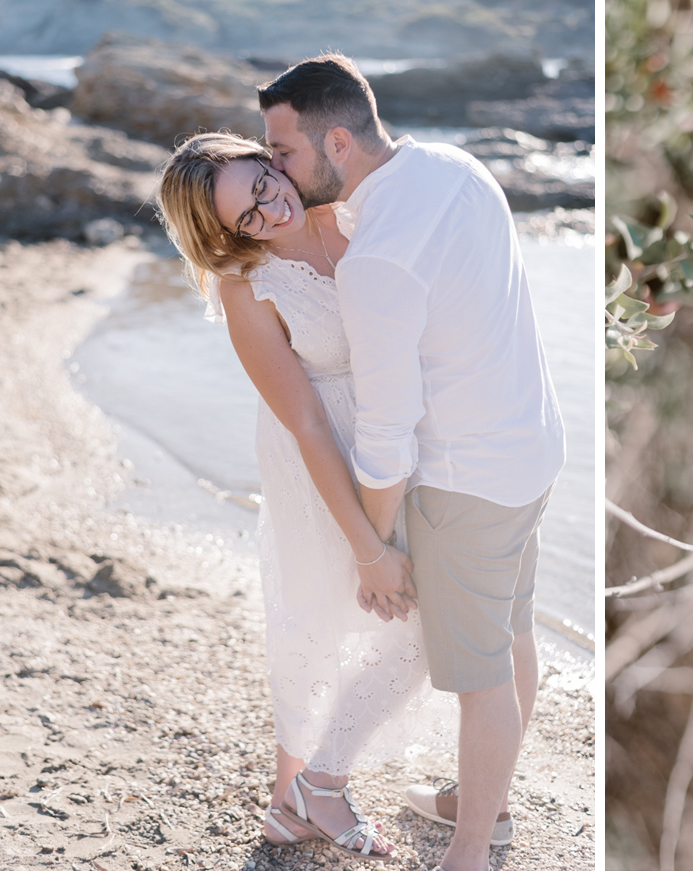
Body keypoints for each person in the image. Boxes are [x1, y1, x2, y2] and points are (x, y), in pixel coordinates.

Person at [257, 53, 566, 871]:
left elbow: (389, 431)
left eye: (283, 153)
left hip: (463, 481)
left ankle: (472, 845)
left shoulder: (376, 260)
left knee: (481, 679)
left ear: (336, 143)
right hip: (531, 448)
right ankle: (480, 802)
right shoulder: (456, 168)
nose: (274, 170)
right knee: (513, 629)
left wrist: (377, 548)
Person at [156, 132, 453, 863]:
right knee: (341, 612)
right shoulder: (246, 286)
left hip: (400, 437)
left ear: (267, 159)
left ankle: (290, 806)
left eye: (261, 184)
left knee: (393, 617)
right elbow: (307, 422)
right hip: (321, 455)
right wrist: (367, 545)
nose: (269, 209)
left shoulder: (349, 212)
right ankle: (318, 784)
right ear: (227, 237)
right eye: (245, 218)